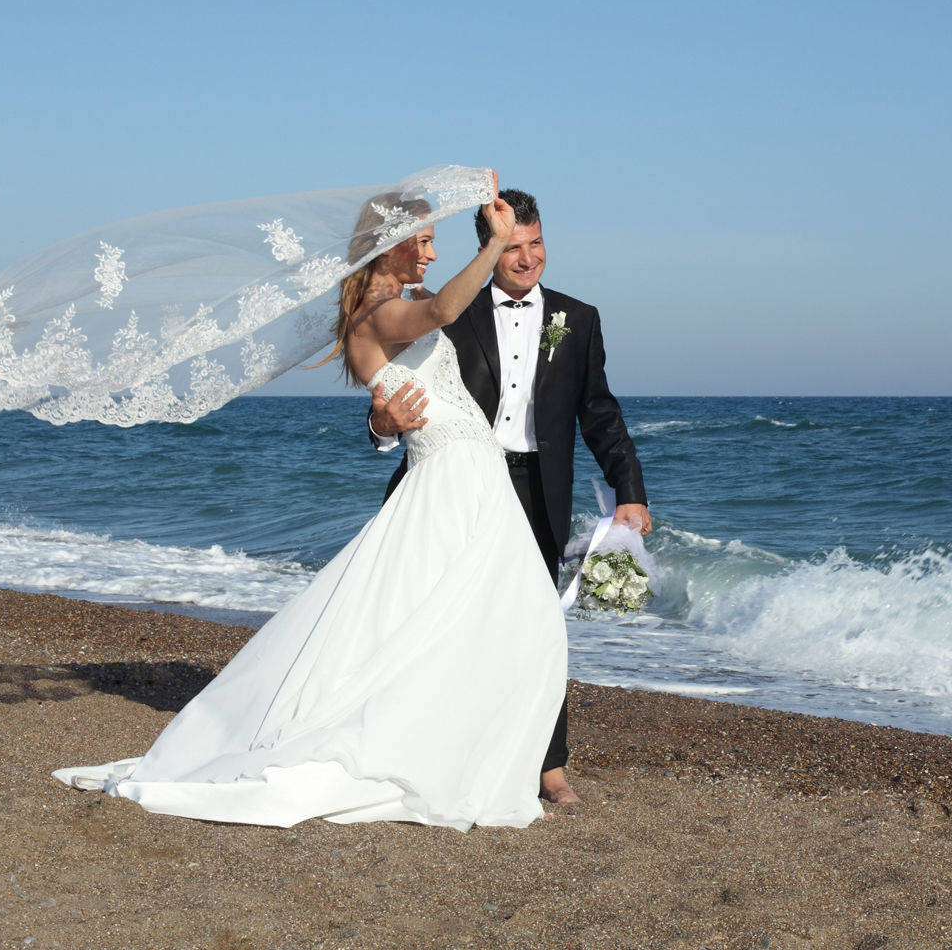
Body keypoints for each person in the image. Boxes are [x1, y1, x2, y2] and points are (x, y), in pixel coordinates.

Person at [54, 180, 568, 830]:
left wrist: (384, 422)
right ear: (388, 247)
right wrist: (493, 243)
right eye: (424, 241)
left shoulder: (389, 306)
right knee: (503, 626)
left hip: (472, 477)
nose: (431, 254)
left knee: (479, 627)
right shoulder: (376, 314)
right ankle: (438, 758)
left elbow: (407, 386)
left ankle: (472, 755)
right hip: (450, 483)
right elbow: (438, 316)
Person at [368, 188, 649, 806]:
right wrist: (382, 426)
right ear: (488, 248)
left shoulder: (580, 317)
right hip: (455, 484)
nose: (528, 259)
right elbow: (395, 390)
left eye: (537, 243)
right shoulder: (449, 310)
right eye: (514, 246)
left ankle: (550, 768)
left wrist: (630, 491)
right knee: (439, 621)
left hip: (535, 489)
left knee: (535, 628)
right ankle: (433, 752)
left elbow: (598, 413)